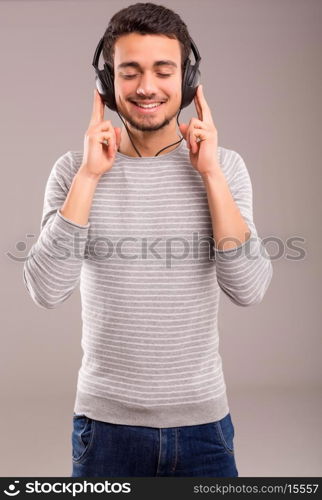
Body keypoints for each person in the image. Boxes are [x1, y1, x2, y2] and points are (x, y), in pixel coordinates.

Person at [23, 2, 273, 477]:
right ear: (107, 84)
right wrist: (90, 177)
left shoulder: (226, 168)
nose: (146, 87)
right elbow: (46, 290)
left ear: (188, 81)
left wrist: (211, 176)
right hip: (104, 428)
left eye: (163, 70)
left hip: (204, 428)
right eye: (130, 71)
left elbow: (249, 289)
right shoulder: (73, 172)